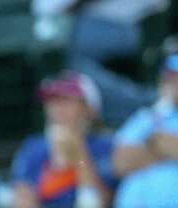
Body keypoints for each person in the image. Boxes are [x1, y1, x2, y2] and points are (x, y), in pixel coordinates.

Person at [33, 0, 167, 126]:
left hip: (136, 24)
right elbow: (45, 9)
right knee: (68, 55)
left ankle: (146, 103)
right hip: (76, 27)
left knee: (73, 56)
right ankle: (147, 102)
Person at [11, 71, 117, 208]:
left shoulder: (106, 147)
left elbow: (101, 205)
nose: (57, 109)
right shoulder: (34, 148)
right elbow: (21, 198)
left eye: (66, 101)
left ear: (89, 109)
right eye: (52, 101)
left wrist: (79, 153)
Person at [111, 47, 178, 208]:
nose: (169, 72)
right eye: (166, 66)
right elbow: (121, 162)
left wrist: (155, 141)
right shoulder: (147, 117)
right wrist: (172, 148)